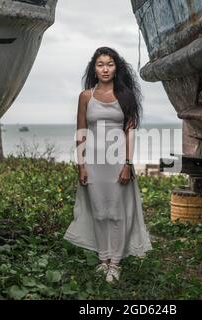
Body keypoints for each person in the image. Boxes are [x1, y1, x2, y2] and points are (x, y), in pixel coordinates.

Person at [63, 47, 153, 283]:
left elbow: (130, 132)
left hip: (117, 162)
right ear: (94, 68)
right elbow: (81, 132)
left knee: (117, 212)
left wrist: (127, 164)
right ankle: (103, 260)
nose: (105, 68)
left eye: (110, 64)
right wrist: (81, 165)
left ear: (116, 67)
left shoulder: (126, 96)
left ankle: (115, 263)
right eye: (100, 64)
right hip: (92, 161)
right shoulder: (85, 97)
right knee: (99, 212)